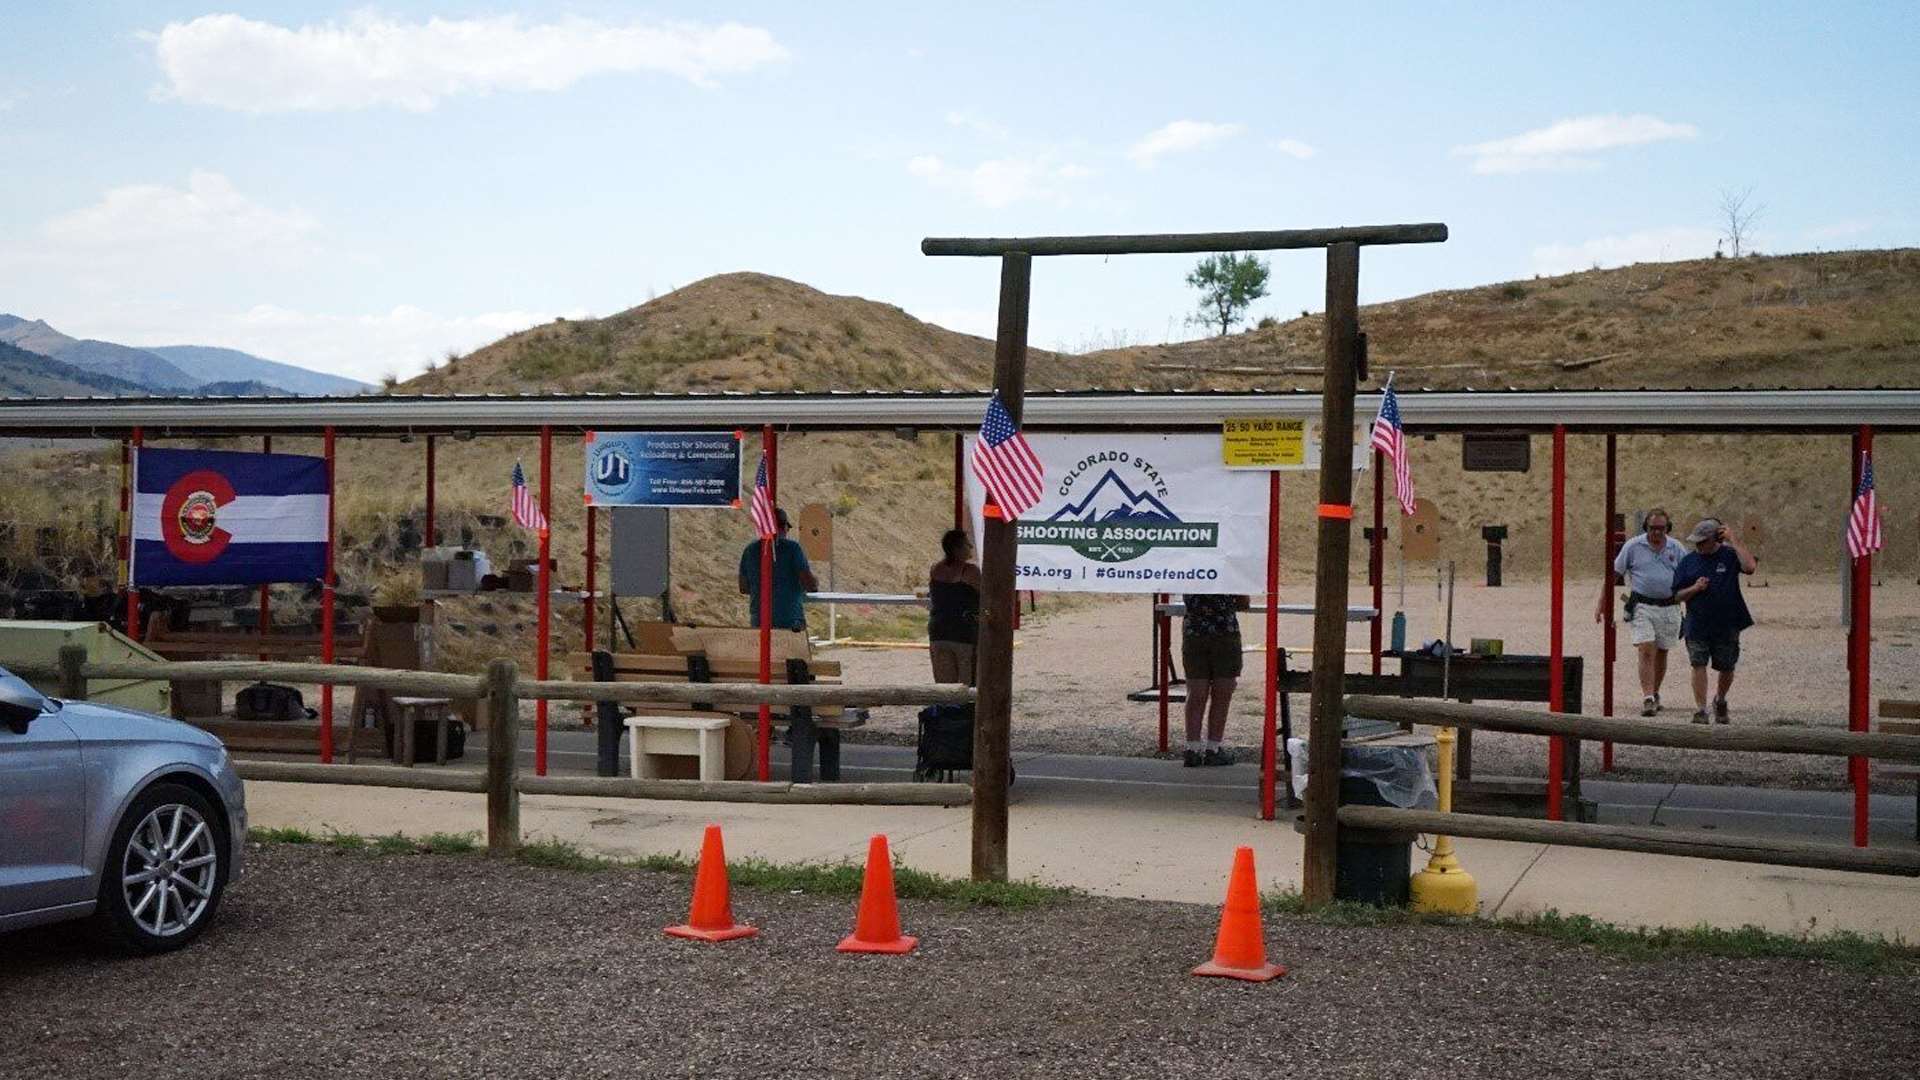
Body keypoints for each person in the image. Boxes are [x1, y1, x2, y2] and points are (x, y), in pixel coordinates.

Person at [1595, 508, 1685, 716]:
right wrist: (1601, 604)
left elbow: (1688, 576)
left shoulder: (1676, 547)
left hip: (1670, 606)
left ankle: (1655, 691)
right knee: (1646, 648)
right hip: (1642, 605)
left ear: (1667, 528)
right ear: (1646, 527)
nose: (1657, 533)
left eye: (1661, 529)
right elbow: (1613, 574)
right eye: (1653, 528)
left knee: (1662, 651)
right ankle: (1647, 697)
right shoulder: (1633, 546)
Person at [1673, 517, 1758, 725]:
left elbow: (1749, 567)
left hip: (1728, 622)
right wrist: (1694, 588)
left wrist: (1733, 540)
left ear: (1716, 538)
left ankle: (1720, 700)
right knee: (1698, 663)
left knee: (1727, 666)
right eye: (1696, 542)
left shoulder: (1729, 555)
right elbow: (1676, 595)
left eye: (1703, 541)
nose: (1699, 545)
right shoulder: (1688, 561)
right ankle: (1701, 709)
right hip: (1697, 623)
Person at [1181, 593, 1250, 767]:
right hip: (1224, 632)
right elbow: (1243, 602)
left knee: (1196, 693)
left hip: (1194, 632)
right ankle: (1213, 747)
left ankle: (1192, 748)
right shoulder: (1230, 570)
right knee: (1222, 693)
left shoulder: (1191, 568)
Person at [737, 508, 818, 632]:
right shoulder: (792, 549)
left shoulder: (750, 550)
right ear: (784, 526)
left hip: (759, 620)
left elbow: (744, 588)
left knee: (763, 651)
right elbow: (810, 585)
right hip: (790, 620)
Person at [927, 529, 981, 685]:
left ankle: (946, 710)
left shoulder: (935, 568)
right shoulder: (970, 571)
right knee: (967, 685)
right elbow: (986, 596)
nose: (970, 546)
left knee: (944, 685)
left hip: (938, 630)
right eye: (966, 544)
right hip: (963, 632)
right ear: (957, 549)